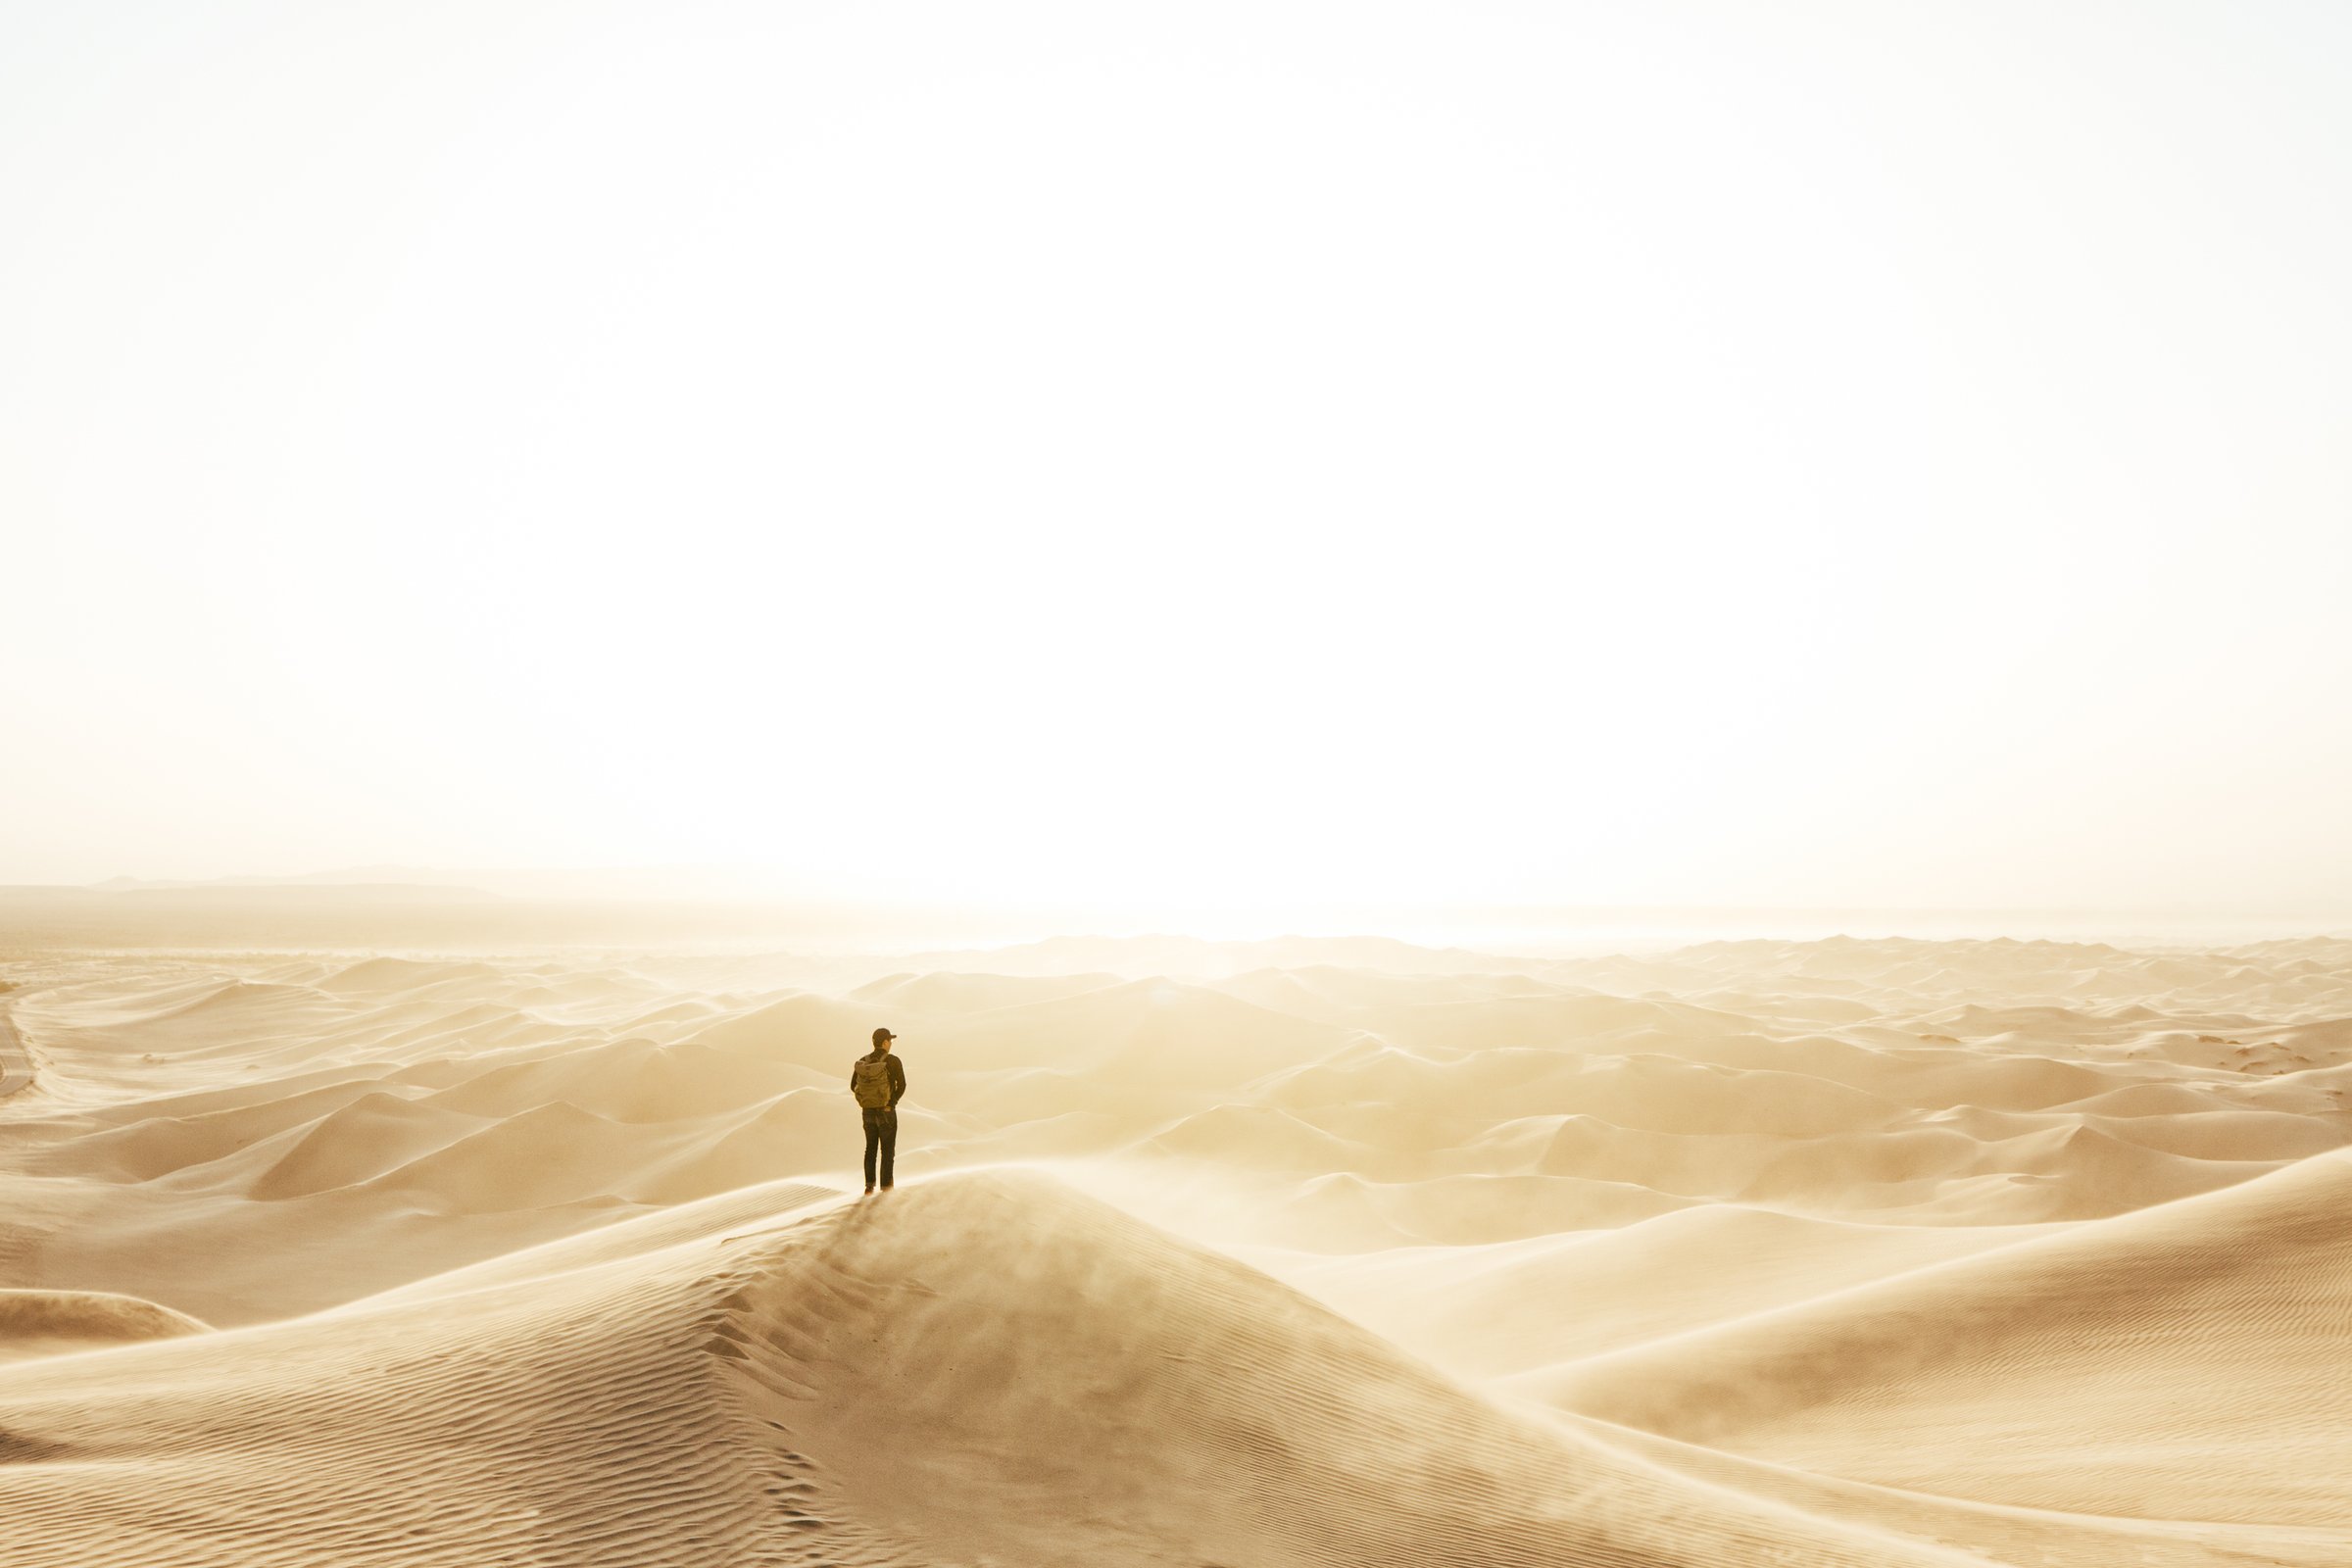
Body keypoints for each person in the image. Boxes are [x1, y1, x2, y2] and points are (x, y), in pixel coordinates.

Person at [850, 1026, 906, 1193]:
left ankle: (869, 1186)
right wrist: (891, 1102)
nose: (891, 1044)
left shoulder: (863, 1062)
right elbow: (902, 1085)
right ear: (885, 1042)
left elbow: (853, 1086)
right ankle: (886, 1189)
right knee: (887, 1151)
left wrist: (866, 1100)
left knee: (870, 1148)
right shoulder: (893, 1061)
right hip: (887, 1111)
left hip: (868, 1112)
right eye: (890, 1040)